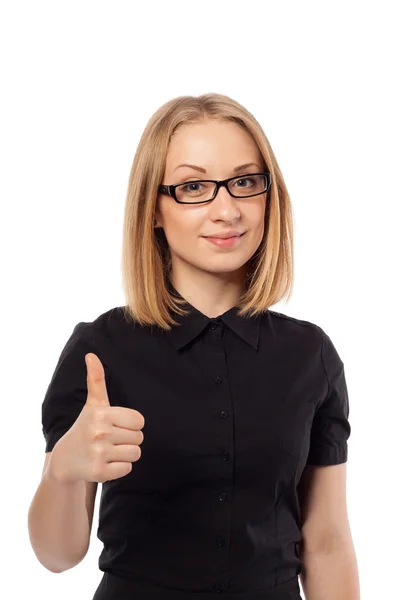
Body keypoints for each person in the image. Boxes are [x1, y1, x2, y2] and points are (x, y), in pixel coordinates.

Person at [28, 93, 359, 600]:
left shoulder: (309, 355)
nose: (226, 210)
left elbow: (329, 540)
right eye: (194, 187)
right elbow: (57, 555)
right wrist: (63, 469)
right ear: (154, 211)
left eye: (245, 182)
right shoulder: (100, 350)